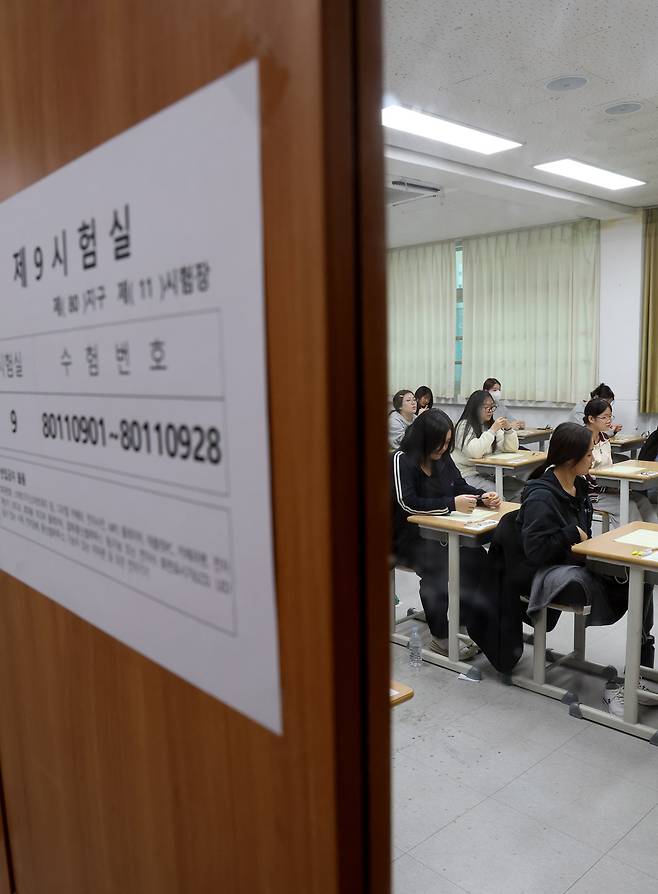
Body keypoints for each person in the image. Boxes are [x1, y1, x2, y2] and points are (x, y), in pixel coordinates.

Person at [516, 422, 654, 715]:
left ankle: (637, 670)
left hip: (575, 561)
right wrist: (571, 535)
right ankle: (628, 683)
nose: (594, 458)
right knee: (634, 579)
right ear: (570, 459)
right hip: (550, 572)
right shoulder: (542, 495)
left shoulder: (578, 485)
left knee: (642, 577)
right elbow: (535, 551)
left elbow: (584, 536)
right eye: (589, 454)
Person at [391, 409, 501, 659]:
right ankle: (440, 636)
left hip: (441, 534)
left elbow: (459, 485)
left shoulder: (442, 458)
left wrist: (481, 497)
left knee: (478, 560)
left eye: (447, 443)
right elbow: (406, 503)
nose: (443, 449)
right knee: (437, 570)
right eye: (438, 444)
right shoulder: (401, 460)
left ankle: (463, 621)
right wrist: (451, 504)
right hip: (406, 539)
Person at [584, 398, 657, 527]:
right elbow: (582, 474)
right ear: (591, 419)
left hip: (608, 487)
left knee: (642, 501)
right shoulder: (581, 440)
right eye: (604, 417)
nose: (609, 420)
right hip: (591, 493)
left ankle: (653, 535)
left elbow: (609, 466)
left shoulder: (604, 438)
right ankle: (632, 537)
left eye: (610, 416)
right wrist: (608, 481)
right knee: (629, 506)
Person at [453, 390, 524, 500]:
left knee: (522, 489)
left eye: (492, 407)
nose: (490, 411)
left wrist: (508, 430)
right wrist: (492, 431)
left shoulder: (489, 425)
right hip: (466, 475)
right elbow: (475, 452)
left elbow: (510, 448)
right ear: (475, 408)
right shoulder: (464, 426)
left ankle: (515, 511)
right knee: (496, 495)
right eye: (486, 407)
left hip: (488, 473)